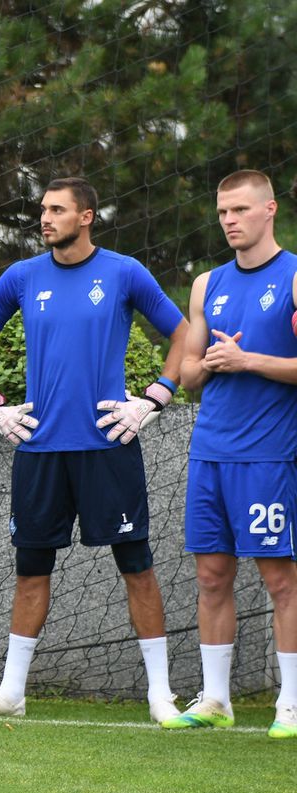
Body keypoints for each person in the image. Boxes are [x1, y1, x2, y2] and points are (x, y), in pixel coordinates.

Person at [0, 177, 187, 723]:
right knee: (31, 570)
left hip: (109, 443)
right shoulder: (21, 276)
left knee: (137, 566)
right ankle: (12, 693)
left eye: (57, 209)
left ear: (87, 216)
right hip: (39, 449)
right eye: (42, 209)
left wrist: (154, 399)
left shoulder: (125, 272)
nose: (45, 218)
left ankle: (160, 695)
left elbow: (183, 334)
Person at [164, 170, 297, 738]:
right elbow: (189, 371)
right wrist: (210, 364)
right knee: (212, 575)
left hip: (269, 456)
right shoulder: (206, 284)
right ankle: (216, 698)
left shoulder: (293, 275)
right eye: (222, 213)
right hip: (210, 451)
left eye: (240, 210)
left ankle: (291, 702)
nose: (230, 221)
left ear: (269, 210)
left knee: (281, 580)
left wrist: (252, 362)